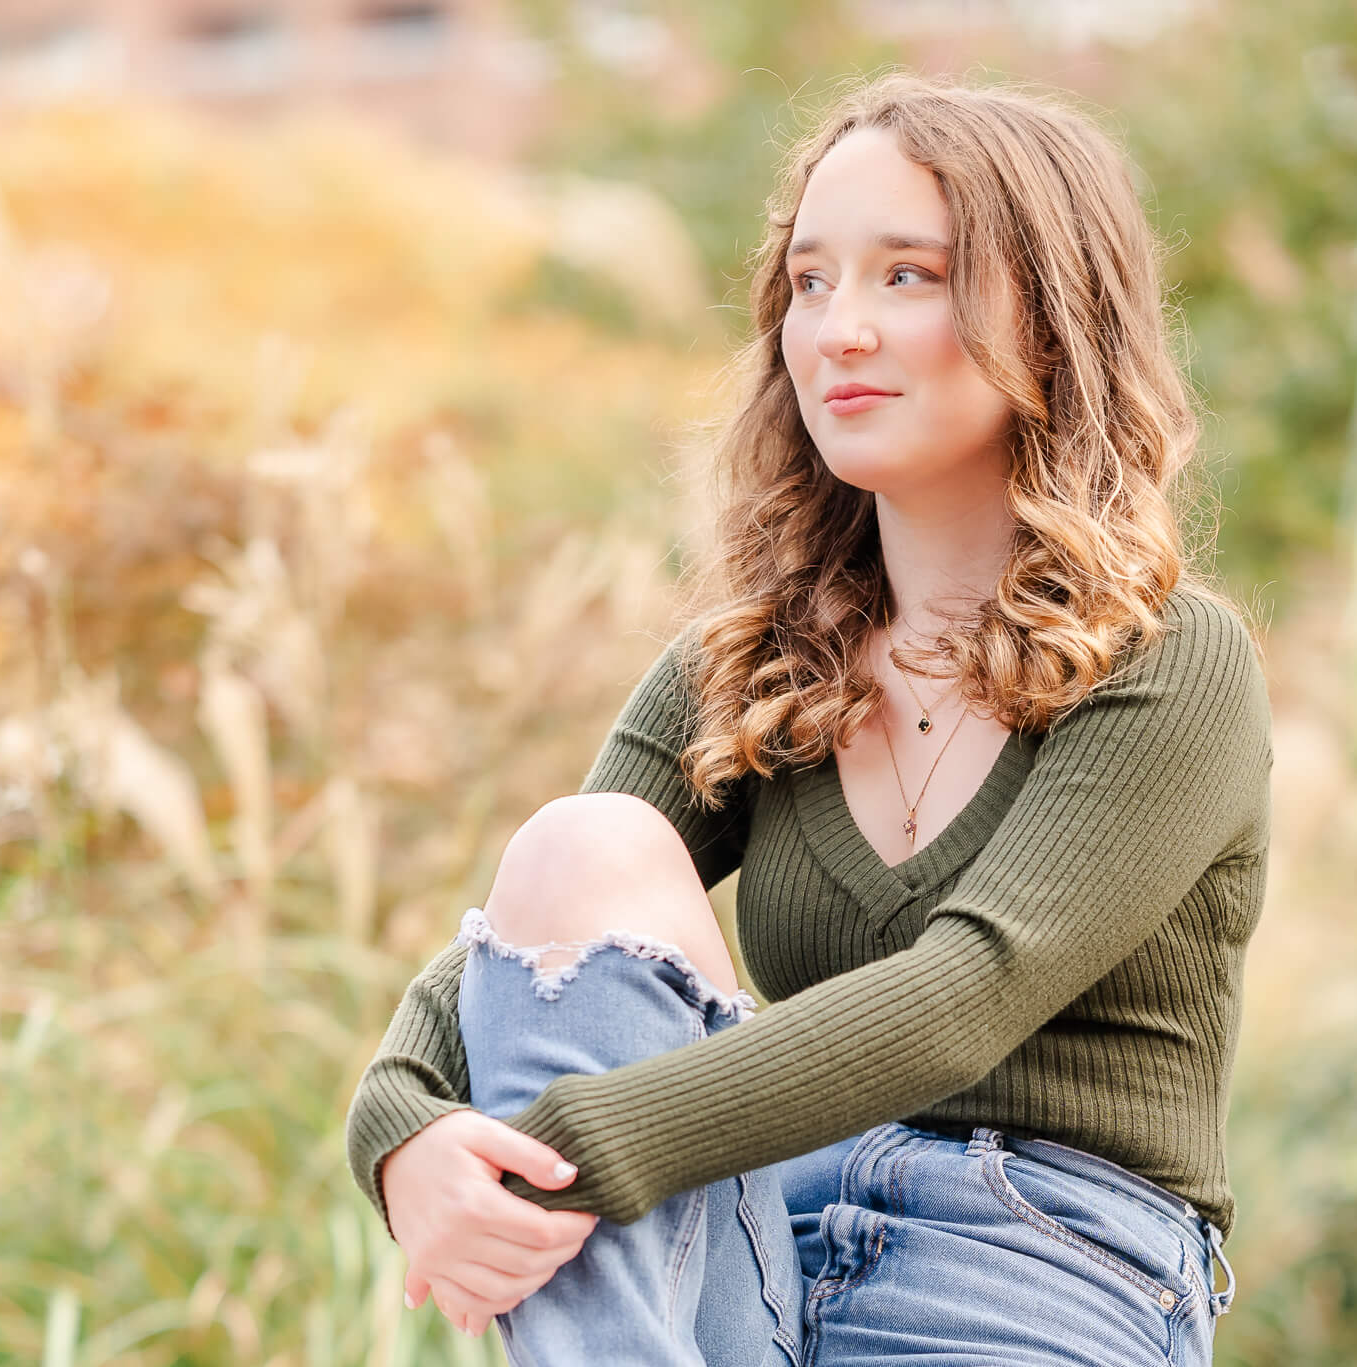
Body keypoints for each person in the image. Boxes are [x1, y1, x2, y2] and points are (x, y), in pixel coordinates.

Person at [345, 70, 1271, 1366]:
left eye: (908, 275)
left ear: (1053, 317)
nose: (838, 328)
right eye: (811, 281)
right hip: (756, 1239)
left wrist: (560, 1154)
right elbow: (520, 951)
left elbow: (963, 999)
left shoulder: (1169, 664)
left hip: (1035, 1259)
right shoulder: (756, 661)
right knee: (580, 844)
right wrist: (402, 1133)